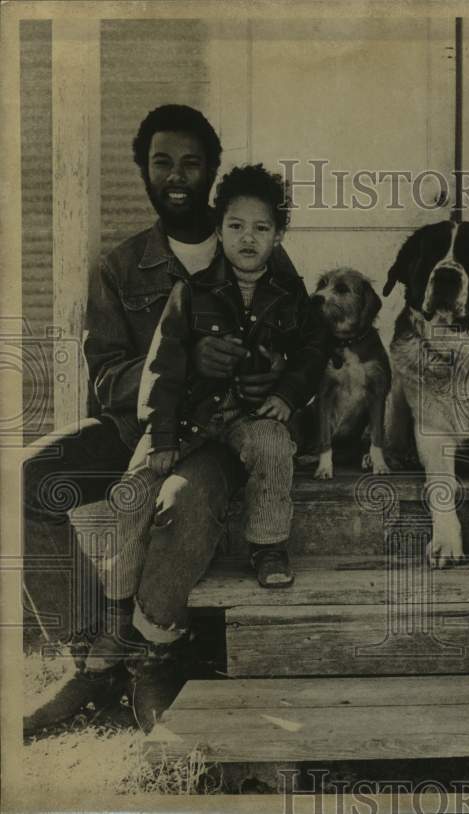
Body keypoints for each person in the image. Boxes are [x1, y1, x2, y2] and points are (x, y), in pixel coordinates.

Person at [23, 106, 300, 734]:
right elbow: (105, 376)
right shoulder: (121, 268)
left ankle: (153, 656)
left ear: (212, 170)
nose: (176, 176)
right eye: (162, 162)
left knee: (180, 501)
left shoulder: (255, 248)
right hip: (136, 427)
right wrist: (182, 363)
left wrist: (269, 381)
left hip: (221, 436)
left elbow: (299, 349)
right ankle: (94, 655)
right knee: (24, 482)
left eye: (191, 162)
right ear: (144, 171)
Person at [110, 163, 325, 603]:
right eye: (236, 226)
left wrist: (287, 393)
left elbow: (314, 348)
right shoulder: (191, 292)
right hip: (194, 412)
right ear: (219, 231)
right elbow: (162, 366)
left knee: (272, 445)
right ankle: (115, 595)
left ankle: (267, 547)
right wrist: (162, 435)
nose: (248, 238)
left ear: (278, 235)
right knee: (134, 488)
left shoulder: (290, 294)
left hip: (251, 414)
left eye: (261, 227)